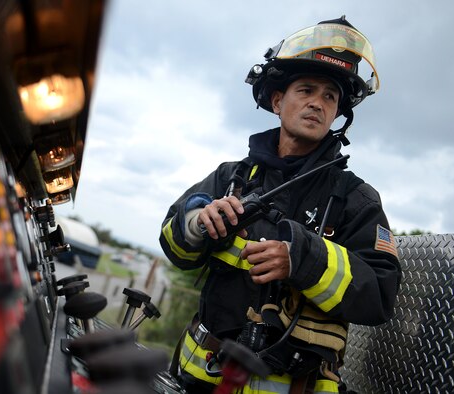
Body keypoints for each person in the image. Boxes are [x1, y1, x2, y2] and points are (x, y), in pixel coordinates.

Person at [159, 16, 402, 394]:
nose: (317, 104)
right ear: (277, 100)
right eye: (306, 90)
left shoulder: (356, 198)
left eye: (329, 96)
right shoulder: (231, 177)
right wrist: (196, 223)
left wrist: (303, 260)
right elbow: (174, 247)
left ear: (337, 113)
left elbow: (380, 296)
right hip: (200, 379)